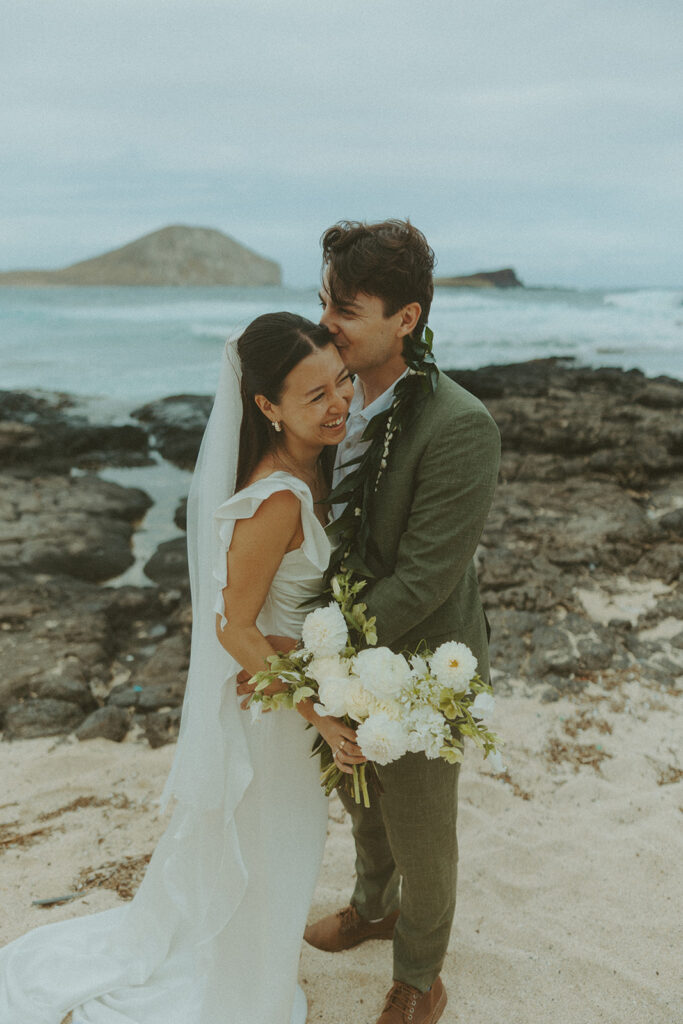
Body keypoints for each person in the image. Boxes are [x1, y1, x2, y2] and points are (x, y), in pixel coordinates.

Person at [0, 312, 360, 1024]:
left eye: (342, 382)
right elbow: (233, 626)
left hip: (291, 693)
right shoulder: (277, 498)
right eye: (314, 395)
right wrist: (318, 711)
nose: (339, 403)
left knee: (282, 846)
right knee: (275, 843)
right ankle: (240, 986)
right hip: (274, 713)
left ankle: (252, 960)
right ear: (265, 407)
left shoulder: (317, 467)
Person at [304, 220, 501, 1024]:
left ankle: (419, 974)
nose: (327, 323)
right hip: (336, 646)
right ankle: (369, 906)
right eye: (324, 302)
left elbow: (424, 575)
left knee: (420, 826)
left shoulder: (458, 424)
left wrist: (329, 654)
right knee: (359, 795)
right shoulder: (327, 394)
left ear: (405, 320)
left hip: (421, 660)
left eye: (346, 309)